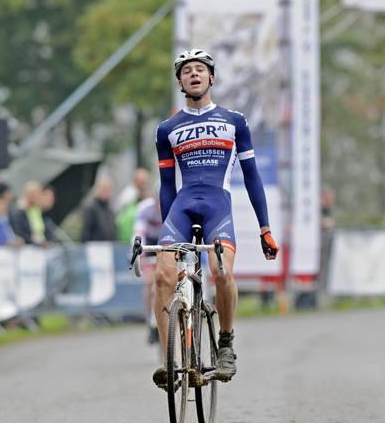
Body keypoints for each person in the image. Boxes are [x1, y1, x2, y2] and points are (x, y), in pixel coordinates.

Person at [152, 49, 278, 386]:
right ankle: (168, 359)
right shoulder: (167, 129)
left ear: (212, 78)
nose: (194, 74)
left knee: (221, 272)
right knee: (162, 277)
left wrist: (264, 228)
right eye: (187, 71)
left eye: (200, 69)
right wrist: (171, 241)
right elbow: (167, 186)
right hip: (181, 207)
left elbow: (252, 176)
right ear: (179, 82)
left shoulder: (234, 121)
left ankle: (225, 344)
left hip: (218, 207)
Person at [133, 192, 163, 344]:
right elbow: (139, 233)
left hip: (165, 240)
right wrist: (138, 254)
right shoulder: (145, 209)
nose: (159, 207)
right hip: (150, 243)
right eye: (157, 203)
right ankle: (150, 320)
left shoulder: (170, 206)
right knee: (149, 281)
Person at [116, 168, 152, 243]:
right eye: (141, 181)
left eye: (145, 181)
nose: (144, 183)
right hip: (130, 238)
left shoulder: (150, 197)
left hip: (147, 237)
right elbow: (122, 219)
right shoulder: (128, 196)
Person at [81, 176, 117, 242]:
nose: (106, 192)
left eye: (108, 190)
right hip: (95, 248)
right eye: (104, 189)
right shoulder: (91, 209)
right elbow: (85, 233)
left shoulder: (110, 210)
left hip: (109, 248)